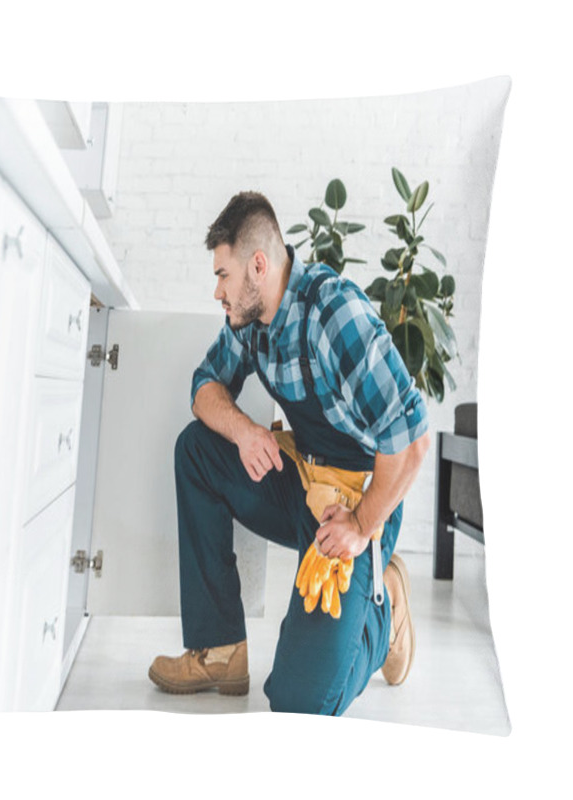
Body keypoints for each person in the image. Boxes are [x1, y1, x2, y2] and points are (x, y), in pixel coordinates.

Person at [148, 191, 431, 715]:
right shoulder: (250, 321)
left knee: (299, 703)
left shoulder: (335, 315)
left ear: (259, 266)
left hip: (354, 503)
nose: (218, 291)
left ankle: (387, 608)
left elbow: (414, 442)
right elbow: (204, 386)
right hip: (300, 480)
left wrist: (362, 525)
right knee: (197, 450)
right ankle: (220, 650)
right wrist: (244, 431)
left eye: (223, 275)